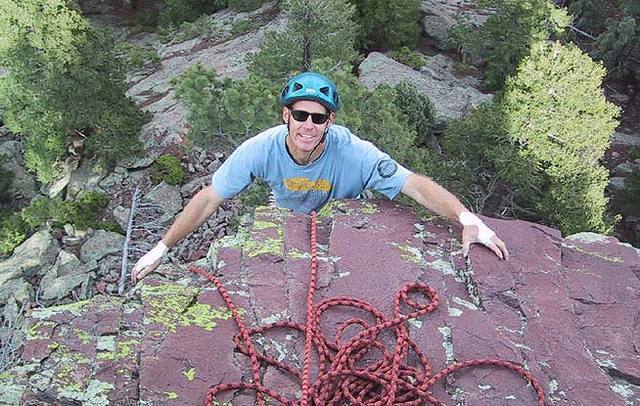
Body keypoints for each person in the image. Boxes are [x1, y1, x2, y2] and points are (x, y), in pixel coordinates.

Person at [132, 72, 509, 283]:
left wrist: (467, 218)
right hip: (289, 227)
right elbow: (209, 198)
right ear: (286, 115)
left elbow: (414, 185)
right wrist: (161, 248)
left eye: (318, 117)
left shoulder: (353, 152)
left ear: (330, 121)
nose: (308, 125)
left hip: (348, 232)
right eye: (300, 115)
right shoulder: (260, 149)